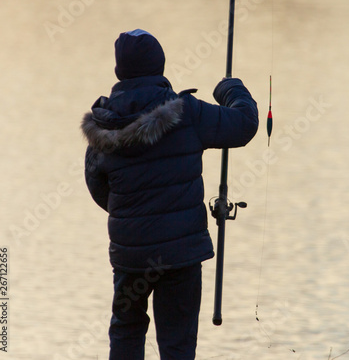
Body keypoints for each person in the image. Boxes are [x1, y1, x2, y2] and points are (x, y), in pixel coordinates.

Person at [81, 29, 259, 360]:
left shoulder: (103, 123)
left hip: (130, 253)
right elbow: (245, 125)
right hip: (180, 254)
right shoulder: (187, 113)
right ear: (160, 65)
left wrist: (132, 213)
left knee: (126, 329)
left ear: (120, 70)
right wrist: (231, 89)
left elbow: (96, 184)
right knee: (177, 343)